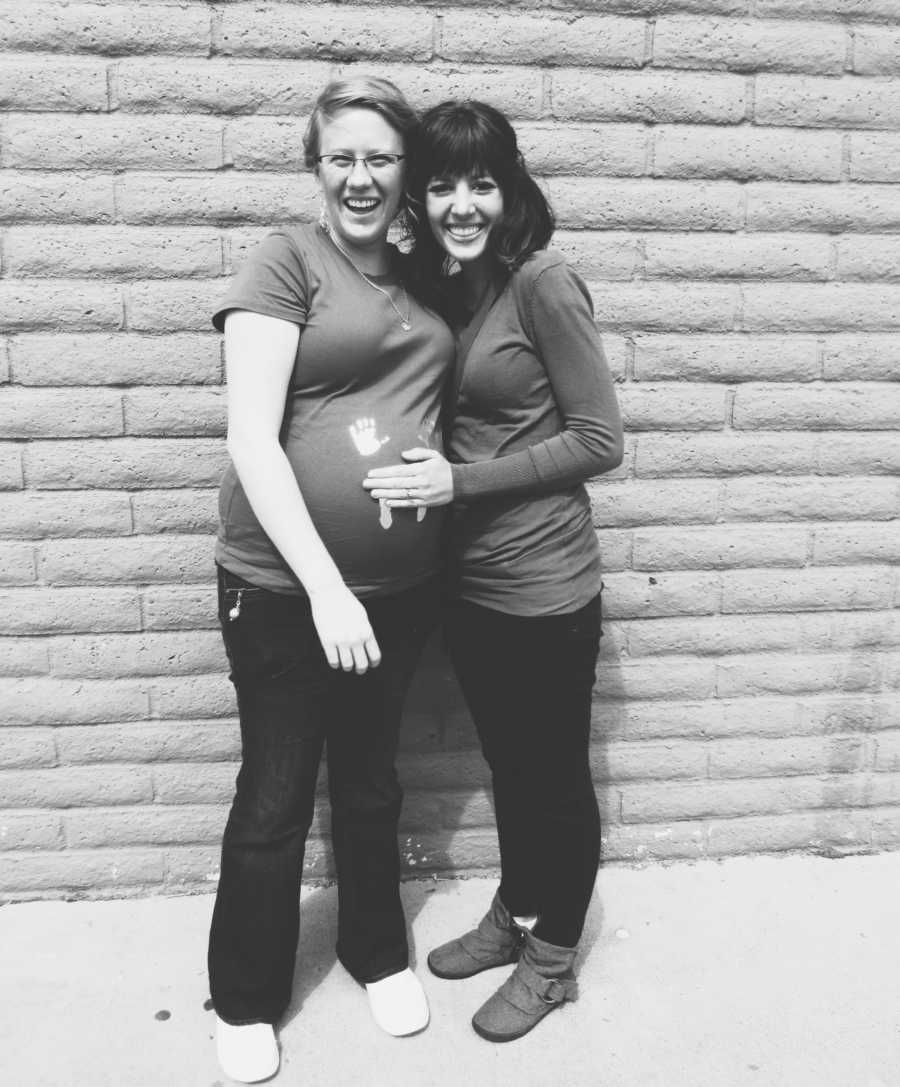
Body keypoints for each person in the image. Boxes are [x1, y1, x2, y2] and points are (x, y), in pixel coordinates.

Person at [208, 77, 455, 1082]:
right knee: (275, 795)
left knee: (370, 781)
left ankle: (374, 948)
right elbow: (252, 440)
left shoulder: (423, 274)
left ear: (408, 170)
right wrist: (326, 586)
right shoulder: (284, 261)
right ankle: (244, 993)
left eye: (381, 158)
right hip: (284, 590)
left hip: (403, 589)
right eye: (341, 158)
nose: (361, 177)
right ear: (316, 167)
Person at [364, 100, 624, 1044]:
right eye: (440, 184)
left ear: (510, 188)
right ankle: (517, 914)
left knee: (553, 777)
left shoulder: (544, 284)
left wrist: (460, 480)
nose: (461, 204)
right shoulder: (448, 285)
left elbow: (601, 440)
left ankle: (554, 958)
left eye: (481, 183)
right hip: (467, 586)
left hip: (547, 585)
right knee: (510, 764)